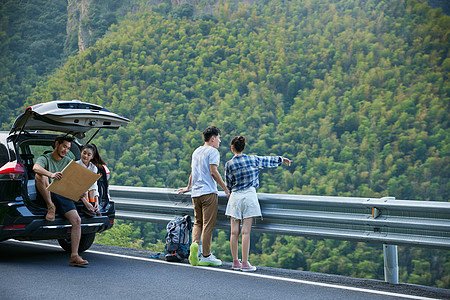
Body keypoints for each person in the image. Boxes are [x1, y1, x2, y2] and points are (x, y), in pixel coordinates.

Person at [224, 136, 292, 272]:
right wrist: (281, 159)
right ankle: (245, 263)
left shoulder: (229, 164)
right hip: (249, 196)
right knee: (246, 232)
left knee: (234, 232)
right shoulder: (252, 159)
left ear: (232, 148)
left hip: (236, 197)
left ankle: (235, 262)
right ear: (244, 147)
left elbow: (228, 184)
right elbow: (267, 160)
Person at [178, 126, 230, 267]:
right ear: (212, 138)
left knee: (198, 223)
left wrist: (188, 187)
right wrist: (225, 188)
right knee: (208, 224)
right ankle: (206, 255)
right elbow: (213, 172)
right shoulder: (213, 151)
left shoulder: (196, 151)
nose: (219, 141)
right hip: (208, 193)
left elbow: (193, 172)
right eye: (218, 138)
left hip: (195, 194)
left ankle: (195, 247)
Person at [33, 135, 88, 267]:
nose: (66, 150)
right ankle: (50, 206)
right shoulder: (45, 158)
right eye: (64, 146)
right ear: (57, 144)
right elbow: (35, 167)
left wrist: (81, 192)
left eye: (68, 148)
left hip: (62, 194)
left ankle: (74, 256)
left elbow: (74, 179)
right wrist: (51, 174)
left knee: (77, 220)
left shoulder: (68, 161)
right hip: (47, 192)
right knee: (40, 174)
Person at [76, 144, 103, 216]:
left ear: (92, 157)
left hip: (89, 191)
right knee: (85, 187)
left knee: (92, 186)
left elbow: (94, 184)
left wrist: (97, 202)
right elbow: (75, 183)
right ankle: (87, 207)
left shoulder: (93, 167)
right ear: (81, 152)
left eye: (89, 154)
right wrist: (86, 203)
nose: (86, 156)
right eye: (84, 153)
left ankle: (93, 206)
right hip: (78, 191)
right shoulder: (76, 165)